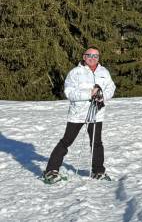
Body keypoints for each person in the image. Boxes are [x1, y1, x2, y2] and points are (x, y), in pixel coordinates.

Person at [43, 47, 117, 183]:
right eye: (89, 55)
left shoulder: (104, 72)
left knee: (96, 143)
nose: (92, 58)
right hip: (78, 114)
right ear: (84, 57)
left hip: (96, 114)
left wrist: (102, 96)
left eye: (96, 56)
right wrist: (90, 93)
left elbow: (111, 88)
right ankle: (51, 170)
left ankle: (98, 171)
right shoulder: (75, 73)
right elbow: (69, 93)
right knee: (66, 141)